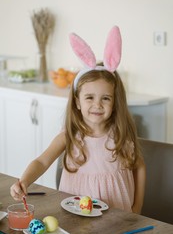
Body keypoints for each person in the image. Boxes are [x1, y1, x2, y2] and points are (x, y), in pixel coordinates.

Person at [10, 26, 146, 213]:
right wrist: (24, 180)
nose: (97, 105)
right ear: (78, 102)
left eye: (105, 98)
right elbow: (42, 162)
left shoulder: (121, 136)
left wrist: (137, 206)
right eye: (89, 97)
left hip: (118, 221)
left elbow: (139, 167)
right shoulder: (70, 136)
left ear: (115, 102)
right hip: (75, 217)